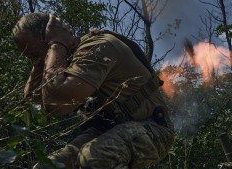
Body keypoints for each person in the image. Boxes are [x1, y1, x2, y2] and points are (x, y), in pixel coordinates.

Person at [12, 12, 175, 169]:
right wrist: (40, 62)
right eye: (30, 57)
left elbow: (57, 103)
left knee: (95, 158)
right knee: (47, 166)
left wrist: (57, 44)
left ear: (50, 37)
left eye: (35, 54)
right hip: (108, 129)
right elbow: (32, 100)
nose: (36, 60)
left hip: (153, 129)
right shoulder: (63, 58)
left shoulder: (97, 47)